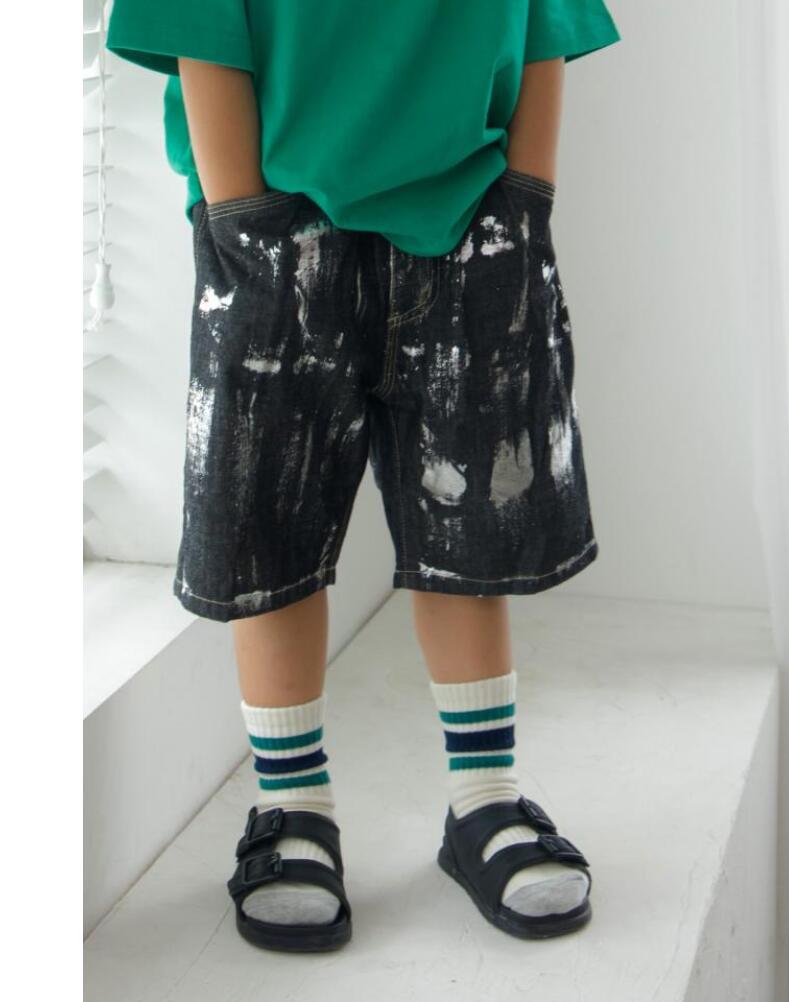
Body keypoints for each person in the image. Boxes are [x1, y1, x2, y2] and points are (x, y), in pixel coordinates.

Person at [106, 0, 620, 952]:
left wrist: (525, 199)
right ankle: (291, 803)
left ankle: (485, 797)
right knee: (270, 519)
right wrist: (243, 218)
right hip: (275, 223)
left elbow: (548, 25)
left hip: (473, 214)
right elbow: (197, 31)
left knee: (469, 524)